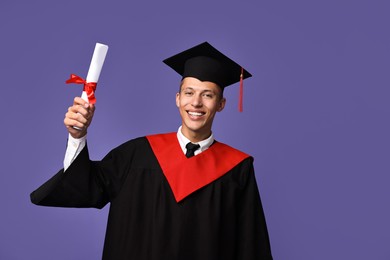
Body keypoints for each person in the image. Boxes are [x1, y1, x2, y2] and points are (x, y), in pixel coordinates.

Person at [30, 42, 273, 260]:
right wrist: (78, 135)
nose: (196, 103)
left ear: (221, 104)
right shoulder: (137, 154)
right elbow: (84, 186)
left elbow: (250, 246)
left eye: (207, 95)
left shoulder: (237, 169)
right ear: (178, 98)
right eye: (189, 93)